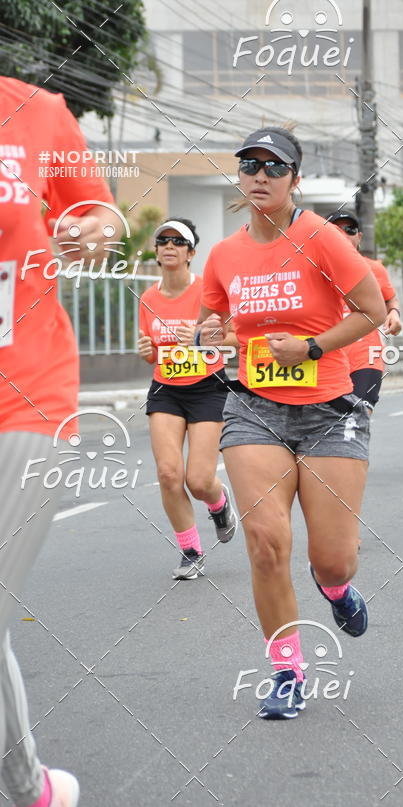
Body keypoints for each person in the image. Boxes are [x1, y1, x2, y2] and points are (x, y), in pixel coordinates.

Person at [197, 127, 386, 718]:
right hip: (254, 409)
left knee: (333, 557)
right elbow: (214, 325)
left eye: (273, 167)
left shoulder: (321, 238)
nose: (259, 174)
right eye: (249, 164)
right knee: (266, 543)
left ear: (294, 179)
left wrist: (309, 349)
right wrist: (208, 336)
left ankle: (335, 590)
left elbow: (372, 312)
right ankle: (286, 670)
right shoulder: (226, 255)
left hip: (330, 411)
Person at [0, 76, 123, 806]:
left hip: (26, 393)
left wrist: (94, 230)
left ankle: (27, 789)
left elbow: (98, 211)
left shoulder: (36, 112)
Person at [137, 218, 237, 580]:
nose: (169, 246)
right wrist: (147, 350)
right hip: (166, 389)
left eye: (178, 241)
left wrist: (197, 335)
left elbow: (232, 336)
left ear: (191, 252)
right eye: (163, 240)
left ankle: (218, 502)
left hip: (207, 386)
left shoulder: (207, 294)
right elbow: (152, 354)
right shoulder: (147, 298)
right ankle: (191, 551)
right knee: (167, 474)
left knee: (198, 479)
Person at [325, 209, 401, 411]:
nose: (343, 235)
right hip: (328, 360)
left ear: (359, 237)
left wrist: (394, 313)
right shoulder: (313, 270)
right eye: (335, 230)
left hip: (366, 359)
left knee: (357, 419)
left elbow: (390, 299)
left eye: (349, 230)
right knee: (332, 427)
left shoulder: (374, 269)